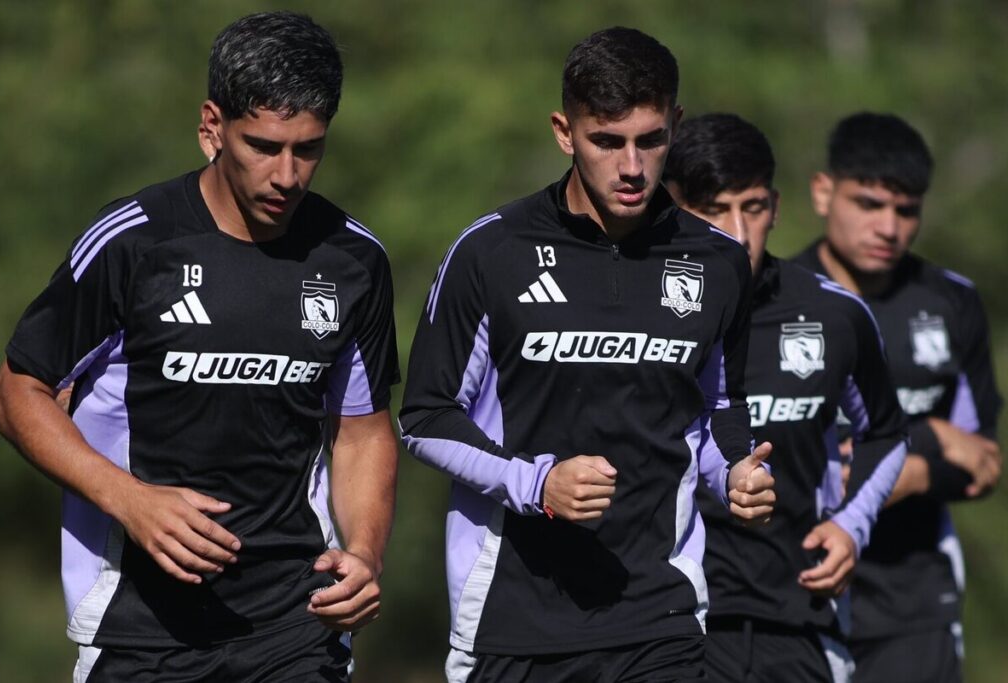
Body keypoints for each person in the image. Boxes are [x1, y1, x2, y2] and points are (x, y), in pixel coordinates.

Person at [0, 12, 399, 682]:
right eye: (264, 147)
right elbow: (14, 395)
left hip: (296, 624)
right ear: (212, 127)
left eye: (309, 149)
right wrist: (129, 499)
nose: (289, 175)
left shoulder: (353, 260)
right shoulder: (133, 244)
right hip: (139, 630)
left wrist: (365, 552)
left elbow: (361, 431)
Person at [399, 27, 776, 683]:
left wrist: (735, 473)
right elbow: (426, 415)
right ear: (564, 131)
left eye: (650, 140)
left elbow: (717, 409)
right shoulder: (491, 252)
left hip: (661, 621)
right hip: (511, 623)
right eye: (607, 141)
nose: (631, 166)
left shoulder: (717, 262)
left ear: (675, 128)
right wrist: (538, 484)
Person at [664, 113, 907, 683]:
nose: (739, 234)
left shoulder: (835, 314)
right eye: (714, 210)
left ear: (775, 205)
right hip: (673, 626)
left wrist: (852, 524)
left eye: (751, 207)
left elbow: (888, 431)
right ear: (676, 208)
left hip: (798, 621)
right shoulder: (639, 317)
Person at [792, 112, 1003, 683]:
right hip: (798, 595)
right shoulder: (777, 300)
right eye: (868, 204)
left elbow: (982, 464)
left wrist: (894, 472)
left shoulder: (951, 302)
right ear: (823, 192)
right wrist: (927, 440)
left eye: (905, 210)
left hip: (915, 605)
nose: (888, 227)